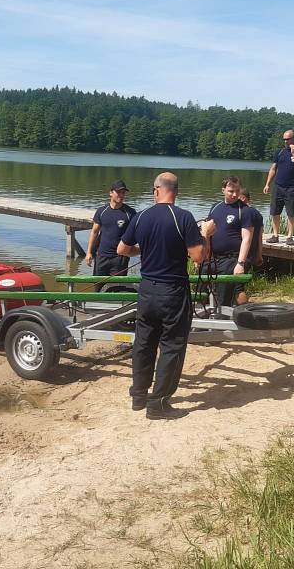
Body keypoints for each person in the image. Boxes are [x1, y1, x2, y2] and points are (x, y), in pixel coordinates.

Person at [117, 172, 215, 420]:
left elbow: (123, 249)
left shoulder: (141, 217)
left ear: (156, 190)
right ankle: (158, 403)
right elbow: (197, 257)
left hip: (147, 290)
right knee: (171, 345)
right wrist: (206, 234)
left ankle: (139, 396)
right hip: (172, 291)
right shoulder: (183, 217)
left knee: (143, 343)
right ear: (176, 191)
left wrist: (145, 249)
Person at [205, 176, 255, 307]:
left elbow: (247, 239)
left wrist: (240, 263)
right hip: (214, 258)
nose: (234, 194)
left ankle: (223, 317)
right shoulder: (215, 207)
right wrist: (204, 257)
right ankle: (204, 312)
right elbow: (208, 233)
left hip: (232, 258)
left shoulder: (244, 210)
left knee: (224, 290)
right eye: (231, 191)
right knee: (201, 281)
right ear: (223, 190)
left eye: (237, 191)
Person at [263, 129, 294, 246]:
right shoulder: (279, 152)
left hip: (291, 188)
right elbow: (273, 169)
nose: (286, 141)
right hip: (278, 186)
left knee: (291, 213)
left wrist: (293, 153)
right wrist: (267, 184)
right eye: (284, 139)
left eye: (288, 139)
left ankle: (289, 236)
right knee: (275, 212)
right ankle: (275, 235)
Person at [85, 179, 136, 277]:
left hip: (120, 258)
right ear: (111, 193)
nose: (121, 195)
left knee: (117, 289)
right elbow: (94, 232)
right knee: (98, 288)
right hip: (101, 257)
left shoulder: (130, 213)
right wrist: (89, 252)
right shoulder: (101, 211)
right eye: (118, 192)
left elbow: (137, 234)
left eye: (123, 193)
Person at [237, 187, 265, 305]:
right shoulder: (258, 214)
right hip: (251, 254)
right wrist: (259, 255)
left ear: (243, 198)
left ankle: (243, 310)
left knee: (237, 287)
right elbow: (259, 237)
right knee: (239, 286)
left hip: (241, 255)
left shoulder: (244, 212)